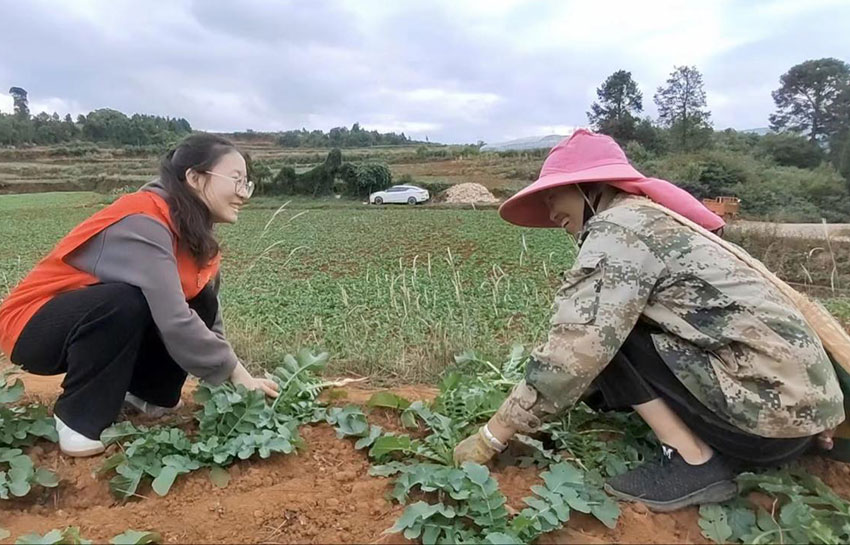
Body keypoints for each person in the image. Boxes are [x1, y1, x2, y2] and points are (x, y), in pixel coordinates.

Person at [452, 129, 844, 512]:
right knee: (617, 329)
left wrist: (493, 434)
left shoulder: (620, 230)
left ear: (592, 188)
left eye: (555, 195)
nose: (552, 212)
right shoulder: (652, 218)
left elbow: (575, 349)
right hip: (797, 416)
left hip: (764, 423)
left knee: (606, 337)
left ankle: (692, 460)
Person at [0, 133, 279, 457]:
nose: (244, 193)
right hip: (31, 325)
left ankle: (145, 397)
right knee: (125, 301)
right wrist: (238, 376)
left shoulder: (192, 233)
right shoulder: (145, 220)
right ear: (195, 178)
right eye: (236, 180)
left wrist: (233, 379)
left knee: (199, 299)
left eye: (248, 183)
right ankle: (77, 419)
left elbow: (206, 316)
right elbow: (174, 321)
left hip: (85, 318)